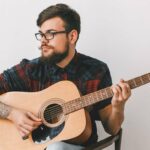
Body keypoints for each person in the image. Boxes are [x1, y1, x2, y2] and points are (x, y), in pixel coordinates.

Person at [0, 3, 131, 150]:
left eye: (50, 34)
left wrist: (118, 106)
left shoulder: (96, 70)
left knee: (57, 148)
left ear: (72, 36)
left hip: (79, 146)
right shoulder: (30, 69)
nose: (43, 40)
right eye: (41, 34)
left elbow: (112, 129)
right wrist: (12, 113)